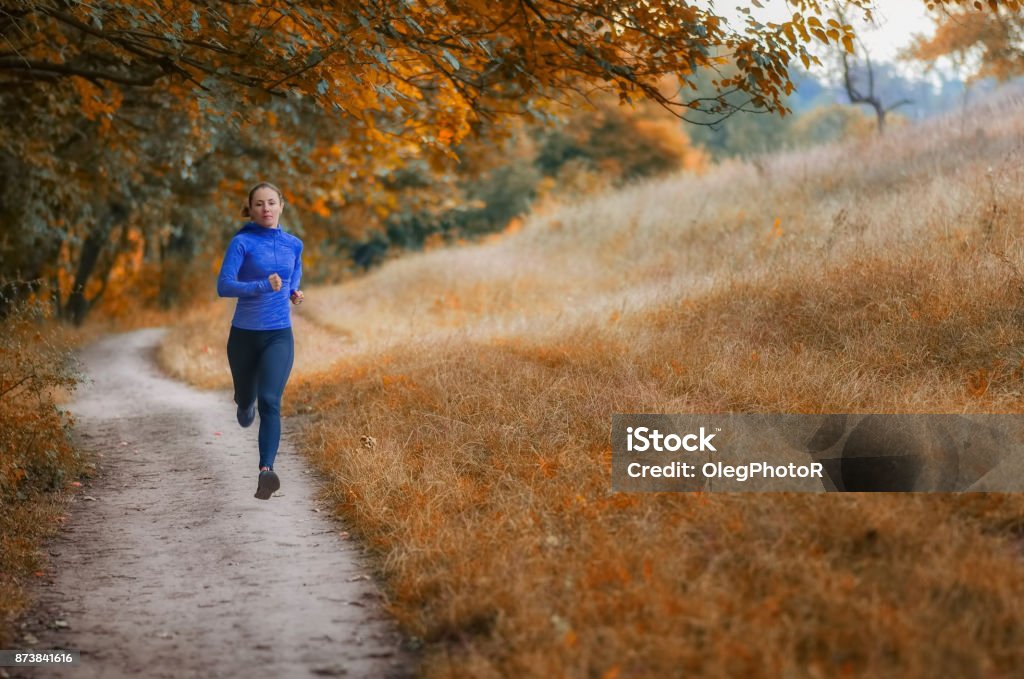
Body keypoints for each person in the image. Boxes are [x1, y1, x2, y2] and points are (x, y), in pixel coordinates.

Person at [216, 182, 305, 500]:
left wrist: (294, 291)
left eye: (271, 202)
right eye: (259, 204)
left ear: (281, 205)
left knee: (270, 401)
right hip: (243, 336)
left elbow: (294, 274)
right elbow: (224, 286)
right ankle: (243, 403)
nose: (266, 208)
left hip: (278, 334)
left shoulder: (294, 244)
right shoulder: (242, 243)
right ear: (250, 209)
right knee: (246, 401)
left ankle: (266, 471)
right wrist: (262, 286)